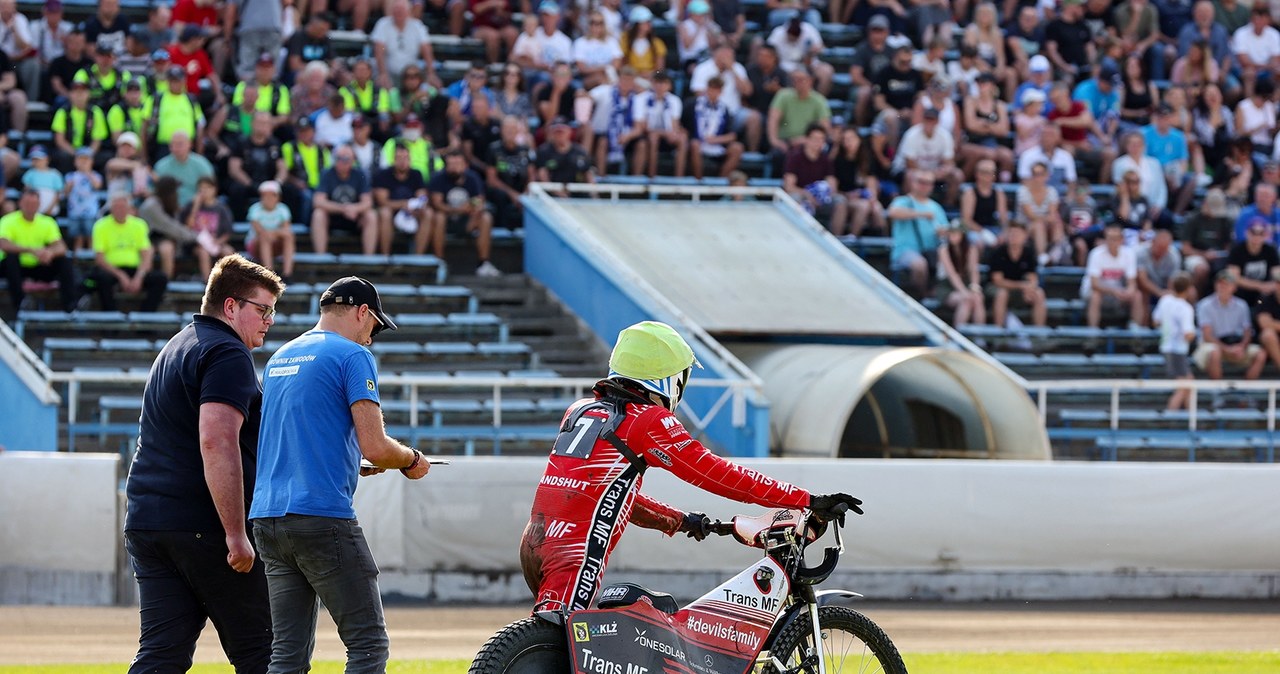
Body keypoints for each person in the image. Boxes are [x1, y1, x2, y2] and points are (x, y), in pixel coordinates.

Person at [520, 320, 863, 612]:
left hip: (536, 541)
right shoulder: (649, 420)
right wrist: (804, 499)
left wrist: (681, 521)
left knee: (547, 647)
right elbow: (719, 475)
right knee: (563, 650)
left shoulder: (581, 410)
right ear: (667, 379)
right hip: (575, 553)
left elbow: (607, 497)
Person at [251, 276, 431, 672]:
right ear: (362, 312)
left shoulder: (280, 356)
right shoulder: (353, 356)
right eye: (374, 326)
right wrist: (411, 460)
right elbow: (376, 446)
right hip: (321, 517)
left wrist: (346, 462)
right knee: (368, 644)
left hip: (267, 517)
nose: (372, 337)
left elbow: (293, 435)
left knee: (287, 653)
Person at [123, 255, 283, 674]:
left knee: (162, 655)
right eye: (263, 309)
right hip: (204, 527)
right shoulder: (227, 352)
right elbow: (216, 440)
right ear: (231, 307)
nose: (270, 320)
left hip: (149, 521)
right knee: (265, 654)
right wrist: (235, 533)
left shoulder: (179, 343)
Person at [0, 188, 78, 317]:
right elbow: (3, 244)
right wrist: (31, 250)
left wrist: (49, 252)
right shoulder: (8, 220)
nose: (31, 207)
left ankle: (71, 306)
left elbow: (61, 247)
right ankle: (20, 303)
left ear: (39, 205)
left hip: (39, 265)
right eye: (27, 203)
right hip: (15, 269)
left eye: (34, 204)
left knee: (64, 260)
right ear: (20, 203)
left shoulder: (47, 222)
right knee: (11, 258)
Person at [85, 192, 168, 311]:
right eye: (116, 207)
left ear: (129, 209)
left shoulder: (139, 225)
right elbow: (99, 259)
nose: (120, 210)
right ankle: (110, 317)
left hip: (134, 269)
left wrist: (139, 276)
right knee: (102, 279)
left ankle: (145, 317)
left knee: (160, 279)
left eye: (123, 207)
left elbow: (146, 254)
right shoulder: (100, 226)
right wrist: (121, 275)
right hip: (111, 270)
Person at [427, 150, 499, 277]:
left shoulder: (473, 178)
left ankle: (483, 263)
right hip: (446, 221)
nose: (454, 167)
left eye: (457, 164)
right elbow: (437, 204)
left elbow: (479, 200)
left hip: (466, 221)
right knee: (439, 216)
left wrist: (473, 206)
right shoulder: (438, 178)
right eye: (451, 164)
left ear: (465, 165)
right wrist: (459, 209)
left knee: (486, 217)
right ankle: (439, 262)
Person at [1194, 270, 1266, 379]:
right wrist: (1226, 349)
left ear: (1234, 287)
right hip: (1211, 346)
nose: (1223, 286)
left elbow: (1247, 332)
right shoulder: (1204, 305)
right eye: (1220, 283)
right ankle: (1217, 390)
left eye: (1227, 284)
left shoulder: (1242, 305)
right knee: (1214, 352)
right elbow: (1207, 336)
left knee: (1260, 354)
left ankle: (1246, 389)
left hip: (1236, 344)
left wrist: (1242, 346)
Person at [888, 169, 947, 299]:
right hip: (905, 251)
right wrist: (920, 214)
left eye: (928, 183)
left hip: (931, 252)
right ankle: (921, 298)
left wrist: (942, 232)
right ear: (913, 183)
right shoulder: (904, 201)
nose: (924, 186)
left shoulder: (936, 207)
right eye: (921, 182)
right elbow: (893, 213)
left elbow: (944, 229)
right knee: (919, 265)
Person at [311, 145, 377, 255]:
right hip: (333, 217)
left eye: (346, 159)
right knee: (318, 214)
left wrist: (355, 208)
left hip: (355, 218)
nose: (342, 162)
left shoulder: (360, 174)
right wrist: (344, 209)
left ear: (353, 160)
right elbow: (318, 201)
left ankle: (369, 259)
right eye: (338, 158)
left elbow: (368, 202)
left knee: (371, 215)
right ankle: (320, 257)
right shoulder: (327, 173)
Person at [1082, 222, 1146, 328]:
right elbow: (1094, 284)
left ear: (1121, 240)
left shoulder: (1129, 254)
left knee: (1137, 295)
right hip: (1099, 291)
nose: (1111, 242)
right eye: (1109, 238)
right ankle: (1092, 332)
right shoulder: (1096, 254)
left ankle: (1136, 332)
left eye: (1114, 238)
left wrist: (1129, 291)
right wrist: (1113, 291)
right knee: (1095, 296)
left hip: (1118, 291)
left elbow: (1132, 282)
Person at [373, 142, 431, 256]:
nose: (403, 161)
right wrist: (404, 204)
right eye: (399, 158)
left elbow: (422, 196)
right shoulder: (383, 175)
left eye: (405, 158)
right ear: (393, 160)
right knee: (384, 213)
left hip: (411, 211)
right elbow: (382, 201)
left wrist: (416, 207)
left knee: (428, 213)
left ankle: (418, 258)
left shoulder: (416, 174)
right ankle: (385, 257)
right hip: (392, 211)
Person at [1152, 272, 1197, 410]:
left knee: (1189, 383)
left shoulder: (1165, 300)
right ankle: (1170, 417)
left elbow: (1156, 321)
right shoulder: (1185, 308)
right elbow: (1188, 334)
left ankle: (1191, 418)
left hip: (1166, 347)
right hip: (1177, 350)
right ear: (1189, 289)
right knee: (1183, 387)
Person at [988, 222, 1047, 327]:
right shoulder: (998, 253)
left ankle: (1039, 332)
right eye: (1011, 233)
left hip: (1020, 290)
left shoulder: (1029, 253)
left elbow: (1032, 277)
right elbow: (997, 280)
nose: (1014, 237)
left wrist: (1030, 288)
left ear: (1025, 236)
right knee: (1002, 293)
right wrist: (1021, 285)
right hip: (998, 288)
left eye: (1017, 234)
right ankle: (998, 331)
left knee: (1039, 293)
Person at [182, 176, 235, 281]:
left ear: (214, 189)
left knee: (229, 251)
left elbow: (227, 232)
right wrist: (195, 206)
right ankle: (208, 282)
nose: (204, 191)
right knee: (203, 252)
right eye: (201, 188)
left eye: (207, 188)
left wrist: (218, 241)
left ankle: (231, 281)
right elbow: (187, 227)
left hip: (215, 242)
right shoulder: (191, 206)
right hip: (196, 244)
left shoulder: (221, 208)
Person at [937, 221, 985, 327]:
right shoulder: (943, 250)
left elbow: (974, 270)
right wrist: (963, 291)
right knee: (966, 299)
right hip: (947, 286)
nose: (952, 236)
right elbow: (952, 274)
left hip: (966, 283)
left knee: (978, 298)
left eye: (956, 233)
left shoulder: (971, 249)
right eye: (951, 233)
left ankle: (979, 336)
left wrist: (975, 287)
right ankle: (959, 334)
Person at [1225, 221, 1280, 307]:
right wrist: (1260, 286)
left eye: (1261, 233)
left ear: (1266, 235)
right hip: (1242, 292)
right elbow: (1233, 277)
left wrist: (1272, 285)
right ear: (1247, 233)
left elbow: (1277, 274)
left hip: (1264, 293)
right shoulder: (1237, 250)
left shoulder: (1270, 250)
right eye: (1253, 232)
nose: (1257, 236)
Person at [246, 181, 294, 280]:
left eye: (272, 195)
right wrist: (275, 233)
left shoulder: (283, 209)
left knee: (289, 237)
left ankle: (287, 273)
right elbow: (259, 231)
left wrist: (272, 234)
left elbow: (286, 230)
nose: (269, 199)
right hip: (256, 245)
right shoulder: (255, 209)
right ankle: (270, 275)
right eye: (265, 195)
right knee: (264, 238)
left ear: (278, 197)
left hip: (275, 243)